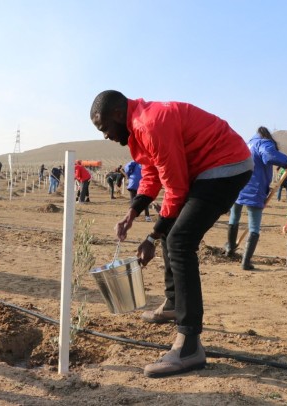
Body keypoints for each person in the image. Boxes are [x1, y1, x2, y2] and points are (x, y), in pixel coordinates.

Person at [90, 90, 252, 378]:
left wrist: (152, 237)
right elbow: (152, 173)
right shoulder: (138, 129)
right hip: (205, 168)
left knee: (179, 240)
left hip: (224, 165)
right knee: (172, 231)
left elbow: (175, 189)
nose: (105, 135)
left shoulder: (151, 124)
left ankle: (189, 346)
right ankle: (174, 303)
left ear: (117, 114)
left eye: (104, 128)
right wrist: (133, 212)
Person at [224, 127, 287, 270]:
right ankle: (245, 262)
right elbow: (269, 155)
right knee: (254, 226)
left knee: (234, 217)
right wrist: (286, 162)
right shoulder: (264, 143)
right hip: (254, 187)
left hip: (238, 184)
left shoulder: (248, 143)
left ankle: (230, 249)